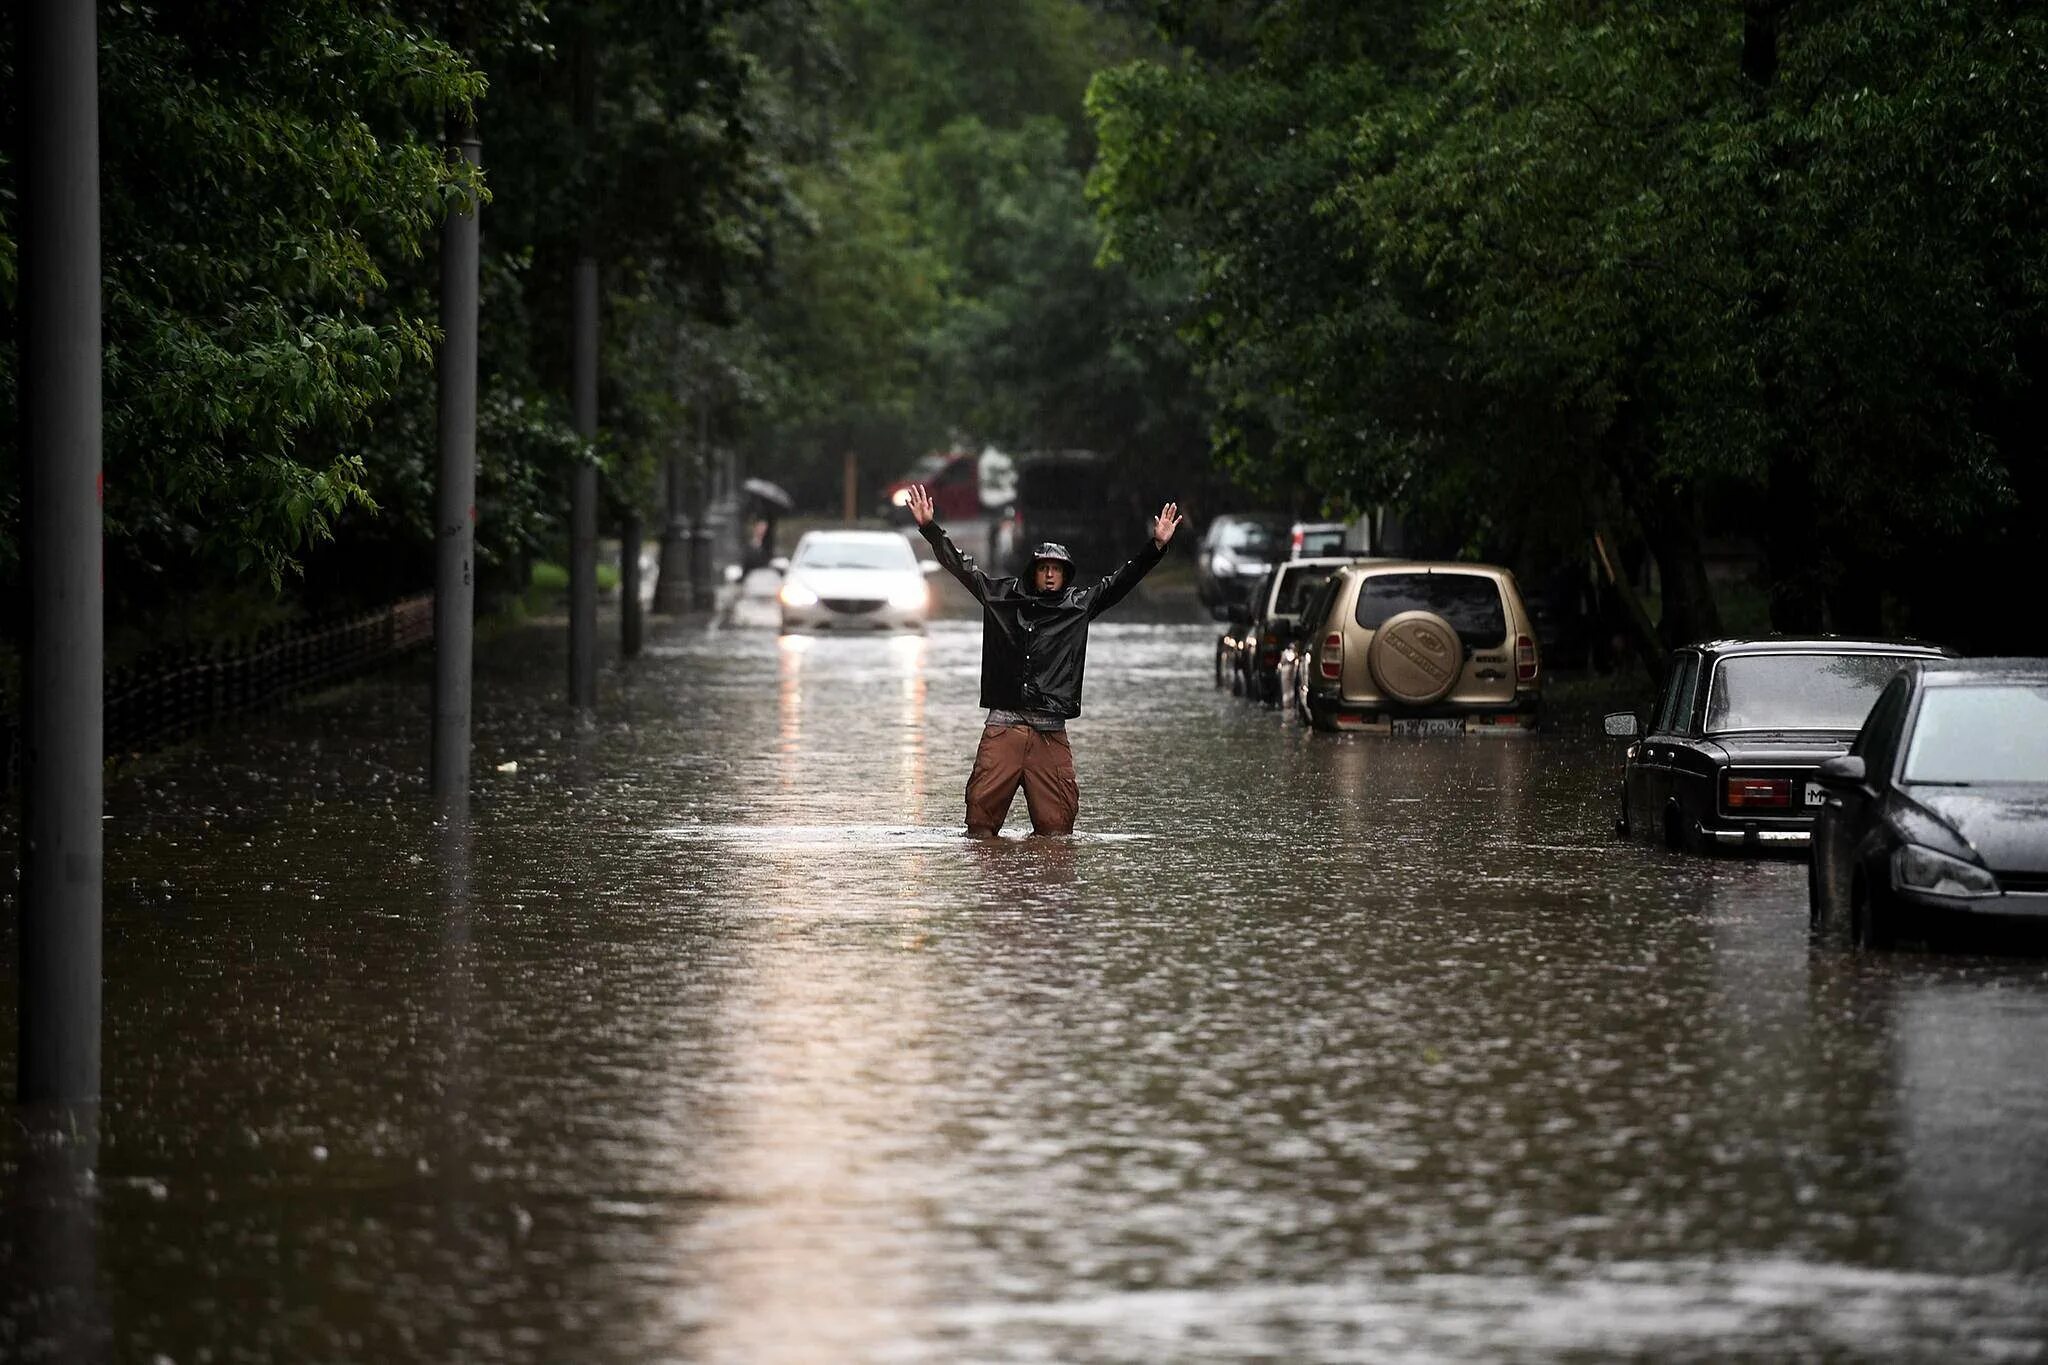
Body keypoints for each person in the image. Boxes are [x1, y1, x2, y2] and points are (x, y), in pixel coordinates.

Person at [906, 483, 1183, 837]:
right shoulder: (1001, 597)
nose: (1051, 574)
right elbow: (963, 568)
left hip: (1050, 733)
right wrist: (930, 528)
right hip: (1004, 728)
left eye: (1057, 569)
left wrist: (1157, 546)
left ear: (1066, 574)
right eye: (1044, 568)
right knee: (979, 828)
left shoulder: (1078, 606)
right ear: (1033, 571)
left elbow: (1120, 582)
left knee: (1057, 832)